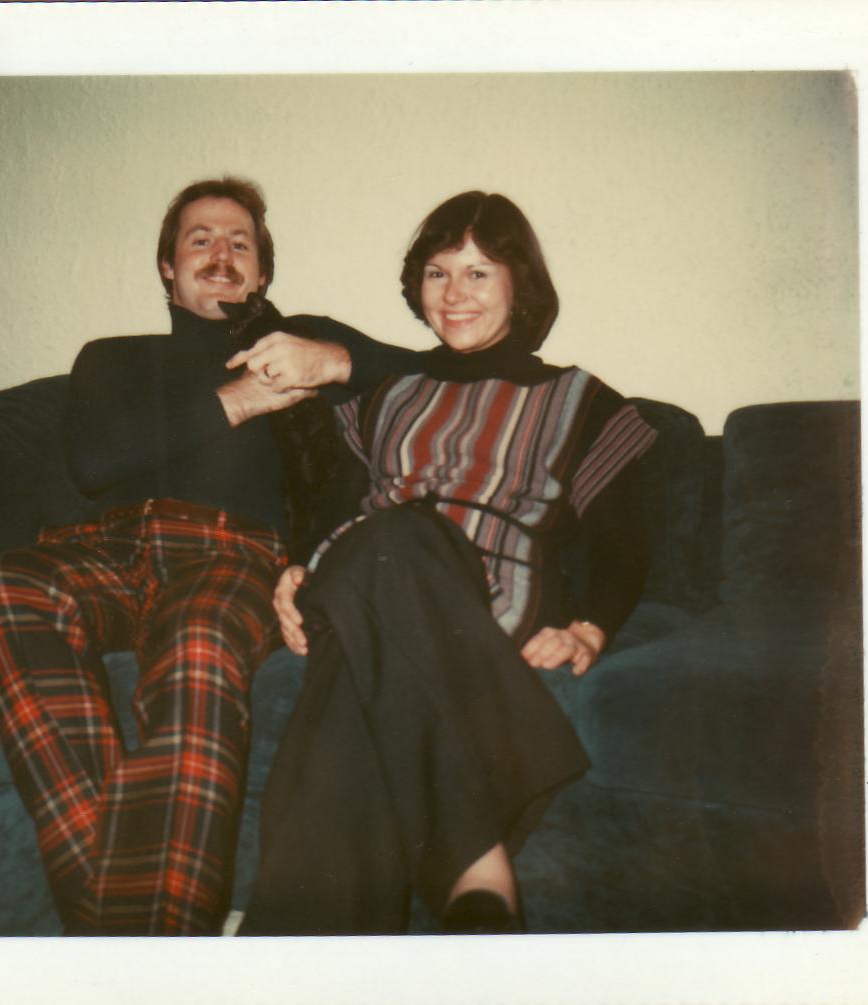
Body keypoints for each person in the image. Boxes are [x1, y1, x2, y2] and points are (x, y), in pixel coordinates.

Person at [0, 177, 419, 937]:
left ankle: (128, 946)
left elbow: (434, 371)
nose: (220, 252)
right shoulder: (112, 357)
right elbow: (94, 460)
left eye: (240, 242)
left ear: (262, 273)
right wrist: (234, 401)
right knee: (0, 586)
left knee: (199, 649)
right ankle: (149, 935)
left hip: (233, 557)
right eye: (198, 239)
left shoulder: (291, 343)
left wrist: (334, 358)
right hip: (108, 549)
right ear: (167, 270)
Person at [239, 191, 659, 936]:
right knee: (384, 539)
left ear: (519, 285)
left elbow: (627, 538)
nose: (455, 294)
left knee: (379, 600)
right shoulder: (383, 389)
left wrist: (591, 627)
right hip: (355, 582)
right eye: (438, 273)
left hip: (484, 592)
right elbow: (336, 507)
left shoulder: (581, 399)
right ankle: (476, 862)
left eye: (479, 273)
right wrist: (296, 570)